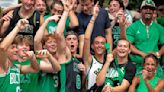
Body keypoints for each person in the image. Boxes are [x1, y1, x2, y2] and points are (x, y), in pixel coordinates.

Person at [0, 19, 40, 92]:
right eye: (12, 47)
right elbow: (2, 48)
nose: (16, 50)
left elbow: (36, 69)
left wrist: (32, 58)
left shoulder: (17, 67)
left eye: (16, 47)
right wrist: (17, 27)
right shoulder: (3, 65)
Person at [126, 0, 164, 74]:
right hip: (137, 65)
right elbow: (128, 45)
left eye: (151, 9)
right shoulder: (133, 27)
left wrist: (158, 53)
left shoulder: (159, 28)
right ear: (141, 10)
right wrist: (142, 54)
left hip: (154, 66)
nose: (148, 10)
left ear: (154, 12)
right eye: (145, 8)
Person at [82, 2, 107, 91]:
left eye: (102, 43)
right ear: (92, 46)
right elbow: (86, 38)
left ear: (106, 46)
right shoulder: (89, 59)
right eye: (97, 43)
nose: (99, 45)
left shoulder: (110, 61)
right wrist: (94, 18)